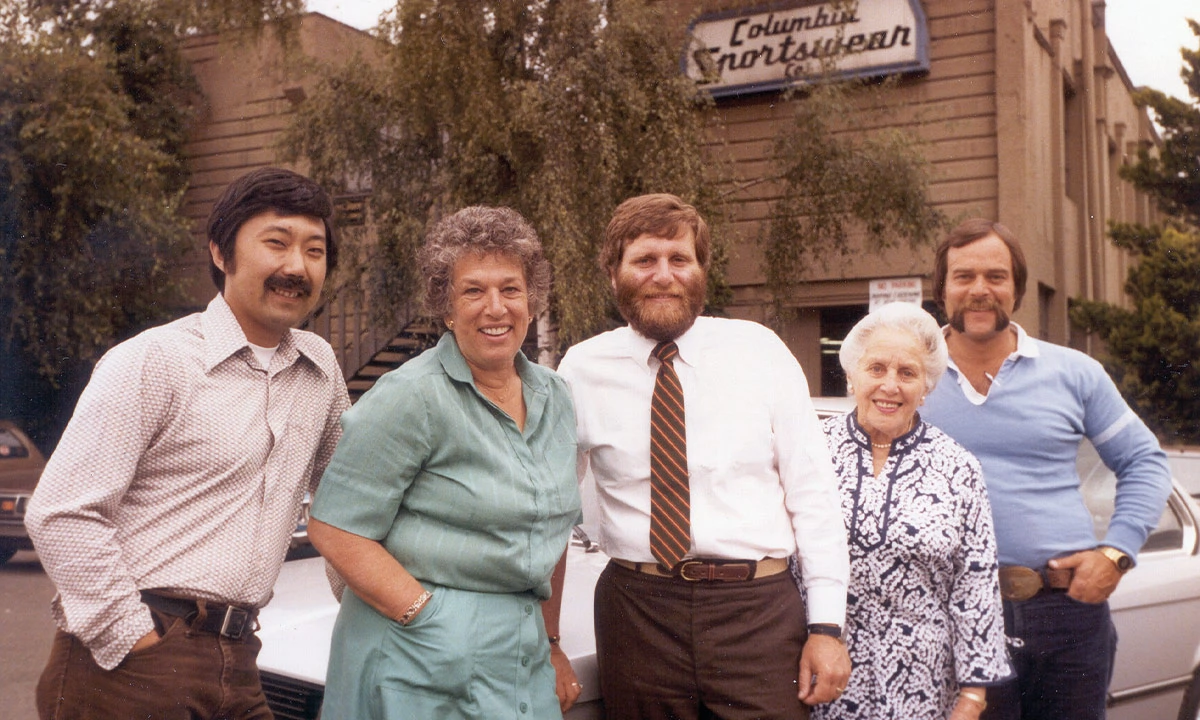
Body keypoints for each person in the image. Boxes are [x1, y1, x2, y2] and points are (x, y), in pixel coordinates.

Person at [25, 166, 349, 719]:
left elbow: (350, 504)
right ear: (221, 252)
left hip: (242, 661)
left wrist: (376, 609)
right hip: (132, 669)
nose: (296, 266)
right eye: (277, 243)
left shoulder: (320, 370)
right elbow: (61, 512)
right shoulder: (155, 361)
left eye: (314, 251)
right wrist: (133, 636)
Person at [557, 193, 851, 720]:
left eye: (679, 259)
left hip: (757, 617)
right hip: (638, 614)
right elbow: (550, 512)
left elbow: (815, 499)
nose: (663, 275)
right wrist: (548, 636)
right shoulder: (580, 368)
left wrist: (827, 627)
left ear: (701, 269)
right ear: (613, 272)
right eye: (644, 260)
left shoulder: (760, 353)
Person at [307, 206, 583, 720]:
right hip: (413, 657)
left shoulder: (556, 396)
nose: (495, 307)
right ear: (447, 307)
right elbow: (333, 526)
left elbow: (551, 530)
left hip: (517, 652)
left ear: (532, 300)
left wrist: (550, 639)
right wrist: (426, 617)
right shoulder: (410, 395)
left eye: (511, 289)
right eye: (473, 291)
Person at [921, 218, 1172, 720]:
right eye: (963, 276)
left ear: (1016, 289)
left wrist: (1116, 553)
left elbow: (1144, 460)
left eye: (996, 276)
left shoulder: (1075, 372)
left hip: (1066, 614)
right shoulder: (909, 376)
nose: (979, 290)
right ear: (942, 290)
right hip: (947, 615)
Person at [814, 302, 1012, 720]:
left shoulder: (958, 467)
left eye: (907, 373)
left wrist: (972, 699)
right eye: (877, 368)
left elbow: (975, 587)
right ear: (851, 375)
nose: (891, 385)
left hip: (922, 688)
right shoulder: (811, 451)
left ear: (926, 386)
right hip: (821, 677)